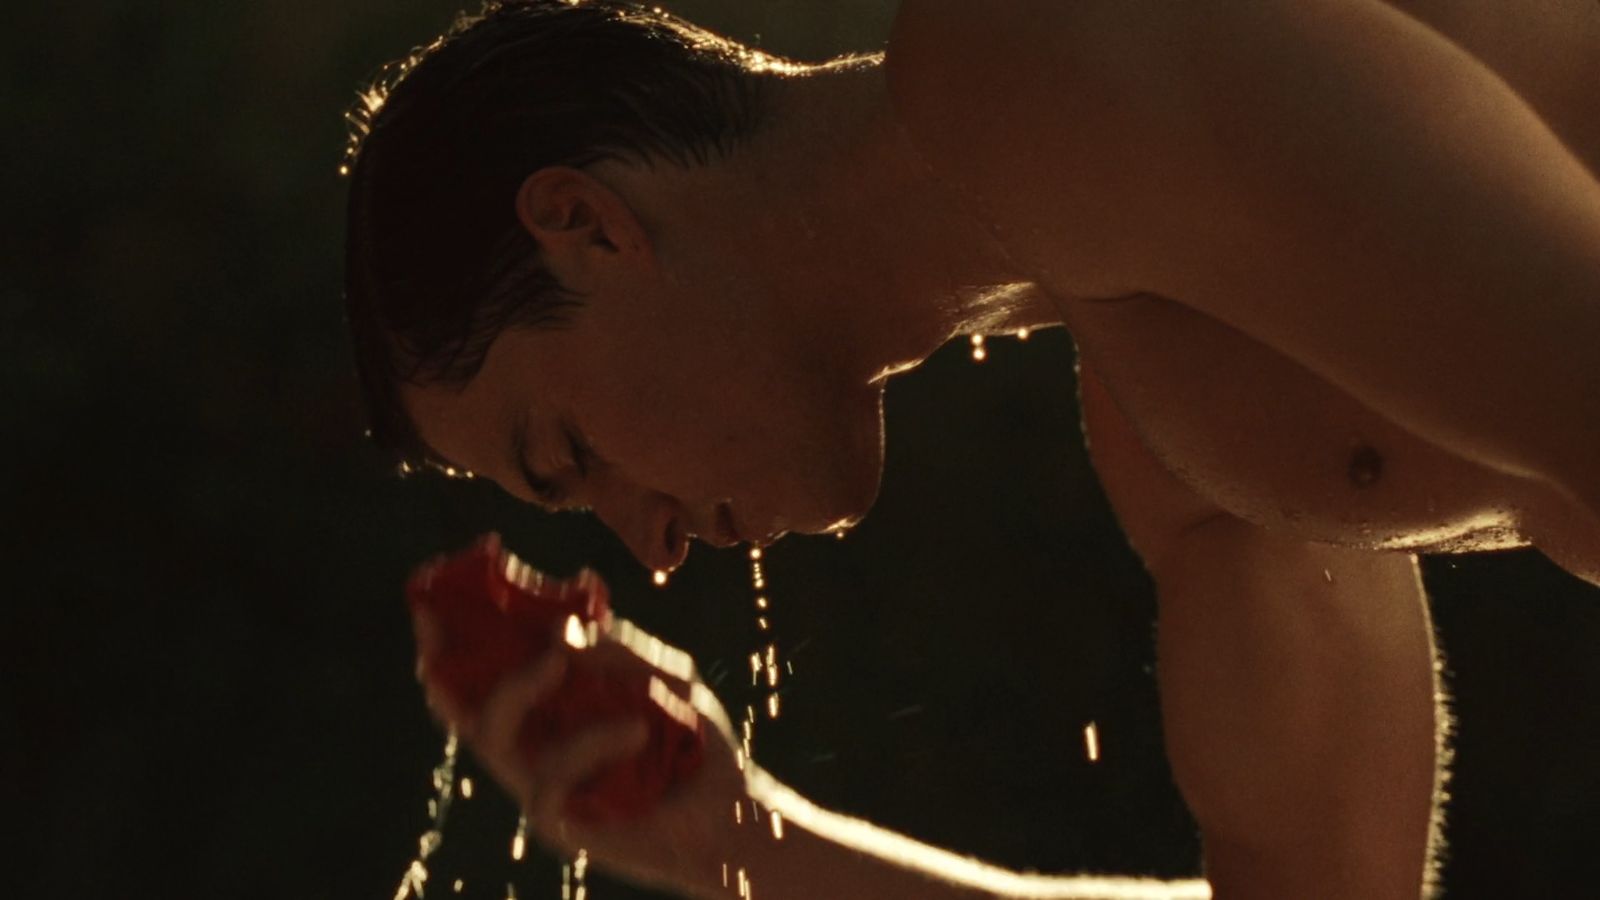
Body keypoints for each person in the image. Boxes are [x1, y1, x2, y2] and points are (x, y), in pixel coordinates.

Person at [344, 1, 1600, 897]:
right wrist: (738, 838)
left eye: (569, 455)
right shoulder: (1176, 422)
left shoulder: (1026, 56)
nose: (653, 546)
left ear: (588, 228)